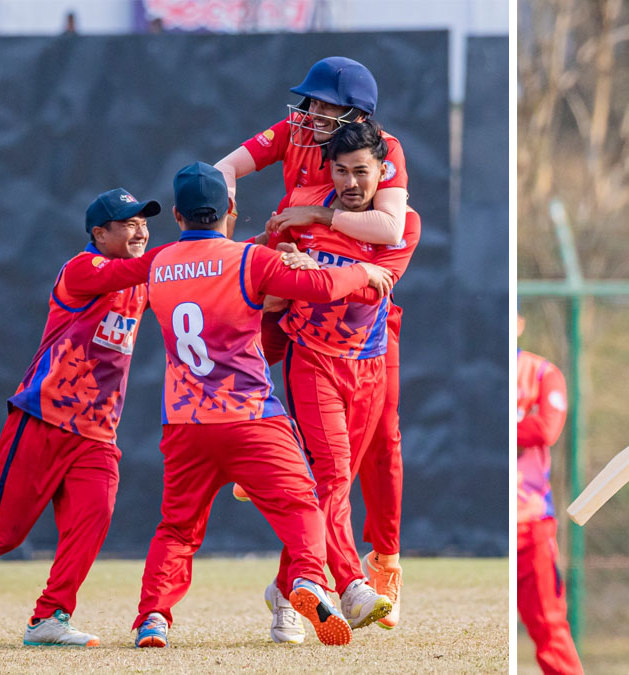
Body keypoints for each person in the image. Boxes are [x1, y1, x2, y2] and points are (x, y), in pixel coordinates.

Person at [131, 162, 393, 649]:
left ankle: (153, 618)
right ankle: (310, 581)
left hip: (185, 421)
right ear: (230, 209)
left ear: (176, 215)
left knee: (177, 528)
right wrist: (364, 271)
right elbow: (318, 288)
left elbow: (115, 276)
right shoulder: (247, 260)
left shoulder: (157, 263)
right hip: (251, 417)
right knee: (301, 505)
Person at [0, 187, 167, 646]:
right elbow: (171, 263)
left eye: (144, 220)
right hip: (42, 418)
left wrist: (260, 248)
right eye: (128, 222)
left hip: (97, 430)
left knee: (94, 515)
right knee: (2, 532)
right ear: (99, 234)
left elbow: (208, 278)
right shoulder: (83, 269)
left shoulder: (139, 280)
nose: (140, 228)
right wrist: (204, 245)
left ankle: (50, 618)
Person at [215, 56, 412, 629]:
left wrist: (311, 227)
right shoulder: (298, 152)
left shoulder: (384, 186)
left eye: (326, 107)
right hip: (311, 343)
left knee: (373, 452)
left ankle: (320, 579)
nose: (311, 115)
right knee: (238, 329)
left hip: (367, 347)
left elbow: (390, 233)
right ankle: (342, 581)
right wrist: (243, 241)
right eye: (311, 104)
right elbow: (227, 166)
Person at [252, 121, 420, 642]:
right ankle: (349, 584)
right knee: (331, 474)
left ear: (382, 171)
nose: (351, 182)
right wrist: (282, 267)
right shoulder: (299, 209)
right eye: (341, 171)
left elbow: (374, 292)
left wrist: (313, 274)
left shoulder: (403, 225)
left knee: (333, 487)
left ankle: (287, 589)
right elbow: (262, 275)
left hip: (368, 367)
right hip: (312, 362)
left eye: (361, 172)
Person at [517, 312, 583, 675]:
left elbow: (546, 429)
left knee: (549, 626)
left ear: (521, 322)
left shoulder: (542, 372)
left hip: (531, 525)